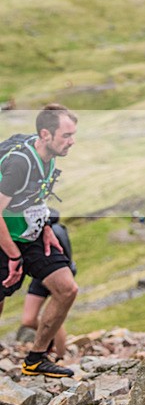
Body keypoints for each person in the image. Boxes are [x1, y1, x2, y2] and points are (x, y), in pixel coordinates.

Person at [0, 104, 79, 377]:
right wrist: (12, 256)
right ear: (45, 134)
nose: (72, 141)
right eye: (66, 135)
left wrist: (45, 227)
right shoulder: (19, 164)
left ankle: (35, 359)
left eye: (73, 135)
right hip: (4, 238)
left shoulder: (51, 156)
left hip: (32, 234)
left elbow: (37, 196)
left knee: (67, 289)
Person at [19, 209, 76, 359]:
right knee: (28, 319)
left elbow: (64, 259)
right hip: (39, 276)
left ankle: (60, 356)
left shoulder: (55, 231)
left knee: (56, 309)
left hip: (51, 275)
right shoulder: (51, 229)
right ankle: (49, 340)